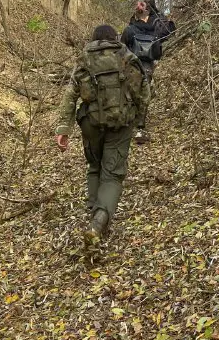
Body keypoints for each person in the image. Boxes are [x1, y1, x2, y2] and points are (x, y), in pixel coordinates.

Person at [55, 24, 150, 243]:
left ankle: (94, 216)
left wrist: (63, 129)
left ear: (95, 39)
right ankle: (99, 222)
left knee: (94, 166)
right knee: (113, 174)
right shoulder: (127, 56)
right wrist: (138, 122)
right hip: (121, 124)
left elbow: (70, 96)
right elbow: (144, 92)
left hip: (91, 123)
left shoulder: (85, 58)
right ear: (114, 37)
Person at [121, 0, 165, 144]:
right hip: (147, 65)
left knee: (129, 92)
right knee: (145, 93)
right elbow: (158, 51)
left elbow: (122, 48)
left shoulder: (129, 29)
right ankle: (140, 125)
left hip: (132, 65)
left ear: (135, 15)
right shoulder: (155, 29)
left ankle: (129, 123)